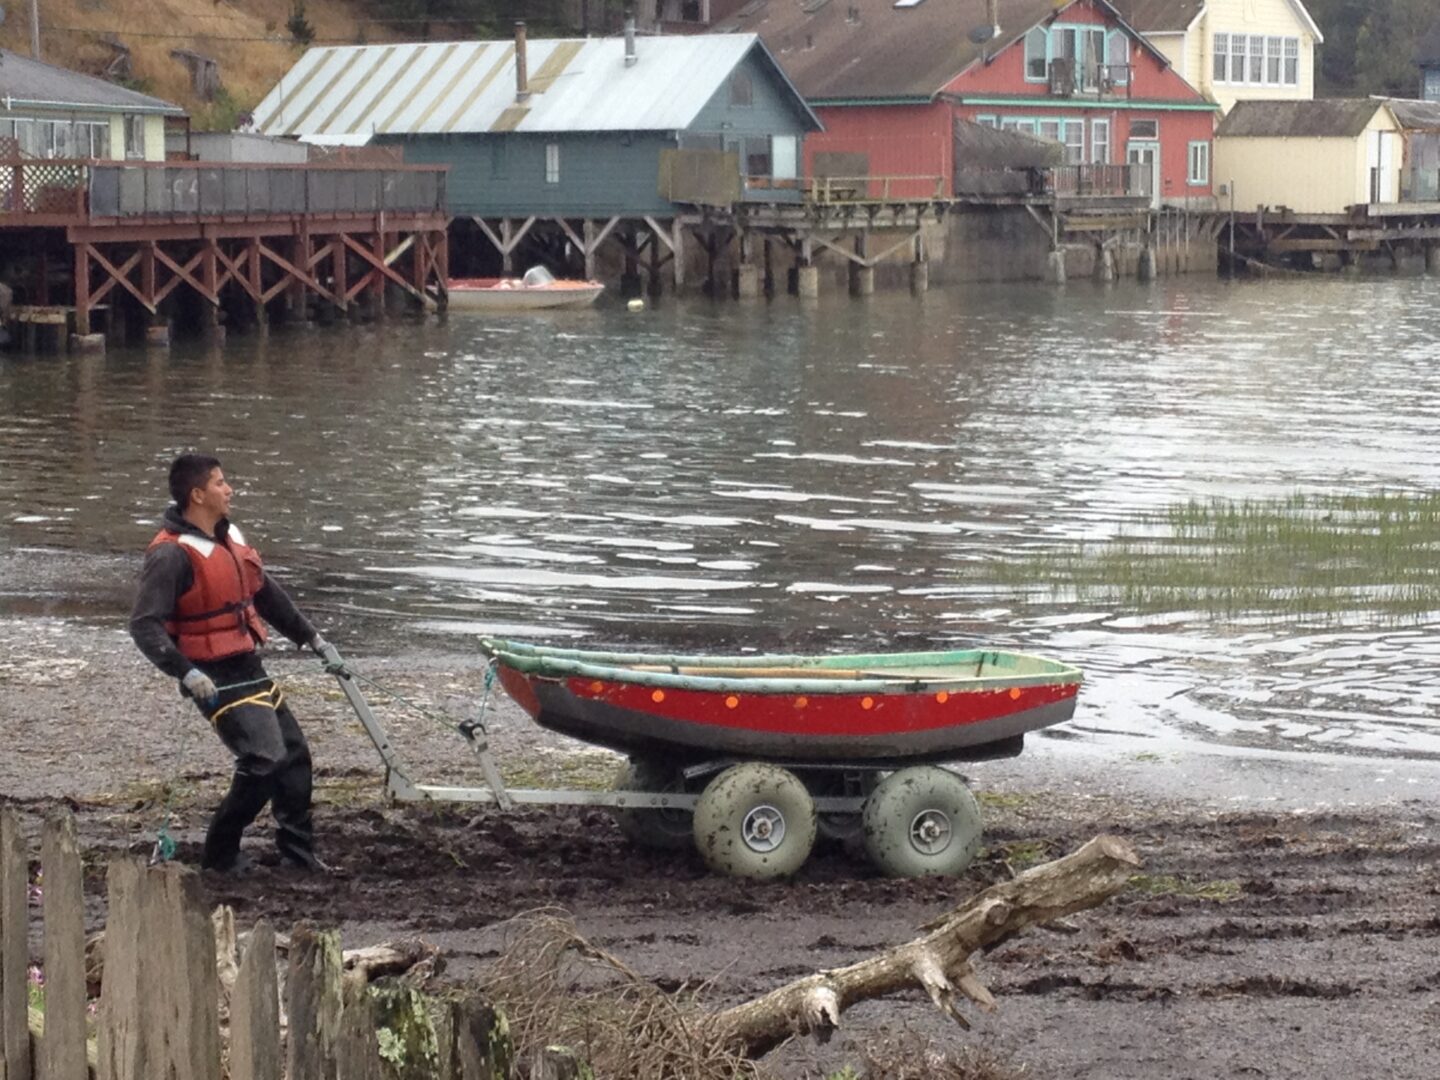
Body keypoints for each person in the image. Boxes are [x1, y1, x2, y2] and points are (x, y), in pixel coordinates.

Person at [129, 453, 331, 874]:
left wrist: (310, 637)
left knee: (293, 755)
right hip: (212, 676)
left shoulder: (231, 536)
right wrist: (185, 671)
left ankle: (298, 854)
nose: (230, 489)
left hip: (247, 665)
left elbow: (265, 592)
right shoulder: (170, 556)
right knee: (263, 759)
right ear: (197, 494)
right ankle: (220, 855)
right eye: (221, 483)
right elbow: (144, 626)